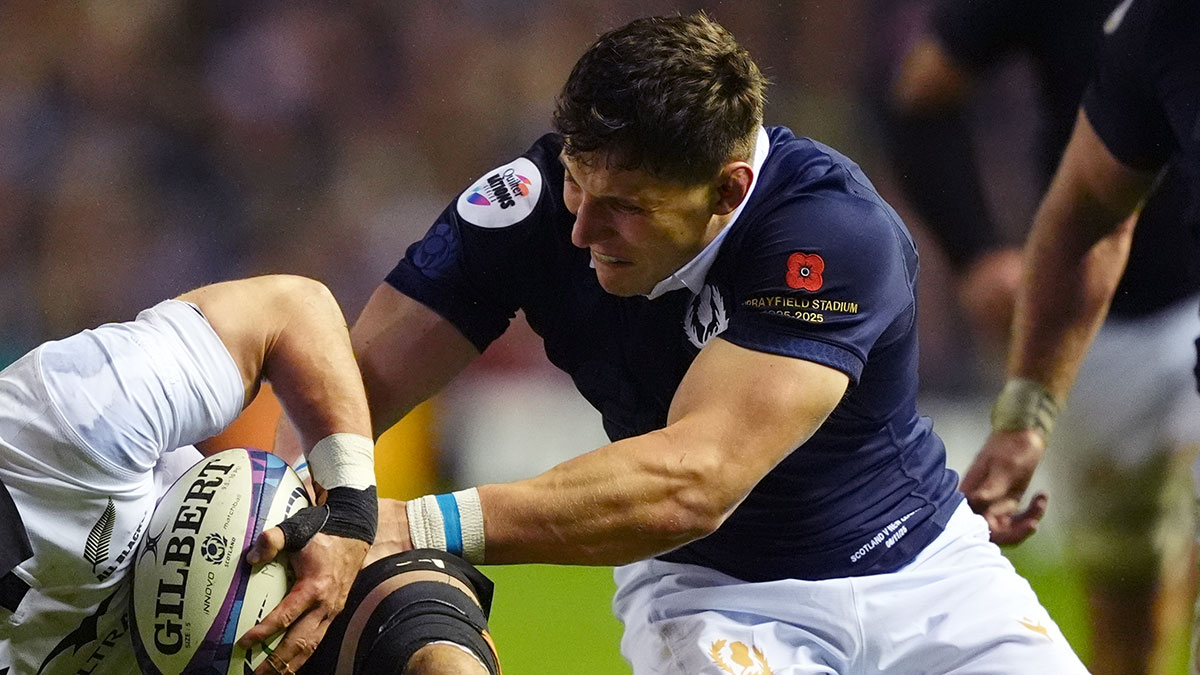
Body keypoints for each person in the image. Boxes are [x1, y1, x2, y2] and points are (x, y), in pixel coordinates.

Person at [348, 12, 1088, 672]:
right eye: (577, 181)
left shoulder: (830, 234)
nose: (582, 230)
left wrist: (416, 525)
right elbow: (350, 388)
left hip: (928, 573)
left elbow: (694, 480)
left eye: (626, 208)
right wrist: (304, 513)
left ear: (731, 190)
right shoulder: (531, 207)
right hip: (720, 594)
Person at [880, 1, 1200, 671]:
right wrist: (978, 254)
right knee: (1125, 611)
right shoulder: (1159, 27)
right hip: (1103, 331)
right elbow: (1087, 206)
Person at [0, 275, 494, 675]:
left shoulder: (63, 426)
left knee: (440, 662)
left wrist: (350, 513)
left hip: (274, 584)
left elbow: (290, 312)